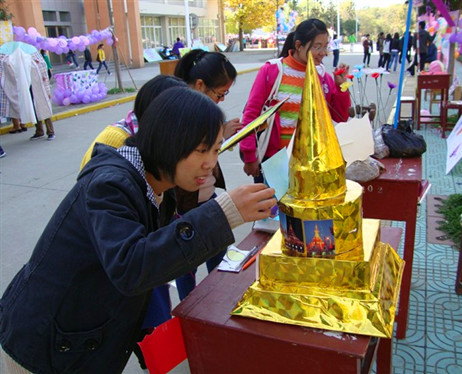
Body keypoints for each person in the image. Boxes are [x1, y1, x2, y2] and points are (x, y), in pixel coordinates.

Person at [0, 86, 277, 374]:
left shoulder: (161, 186)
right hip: (46, 346)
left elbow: (158, 256)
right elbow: (131, 266)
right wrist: (223, 212)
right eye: (201, 150)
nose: (210, 163)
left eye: (217, 149)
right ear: (168, 141)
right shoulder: (110, 184)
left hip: (83, 342)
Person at [79, 74, 188, 370]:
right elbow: (91, 193)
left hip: (142, 246)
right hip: (121, 245)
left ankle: (157, 356)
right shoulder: (117, 149)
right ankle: (152, 353)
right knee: (145, 315)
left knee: (155, 310)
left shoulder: (159, 159)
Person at [240, 18, 351, 182]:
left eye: (325, 46)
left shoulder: (323, 77)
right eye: (317, 46)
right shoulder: (273, 71)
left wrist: (343, 88)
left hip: (311, 163)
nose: (323, 52)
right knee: (273, 207)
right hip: (275, 161)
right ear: (298, 45)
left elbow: (341, 117)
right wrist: (250, 156)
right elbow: (251, 115)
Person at [173, 49, 242, 301]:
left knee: (218, 252)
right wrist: (220, 135)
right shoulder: (179, 110)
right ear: (200, 85)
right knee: (186, 263)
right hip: (186, 204)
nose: (221, 100)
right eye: (219, 93)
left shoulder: (203, 109)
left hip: (208, 196)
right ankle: (188, 310)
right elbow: (187, 157)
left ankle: (218, 303)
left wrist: (223, 134)